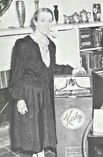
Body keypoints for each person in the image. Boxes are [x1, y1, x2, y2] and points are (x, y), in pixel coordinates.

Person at [8, 8, 84, 157]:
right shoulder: (22, 44)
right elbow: (16, 73)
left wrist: (72, 69)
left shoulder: (51, 45)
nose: (47, 24)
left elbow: (51, 68)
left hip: (44, 93)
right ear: (35, 22)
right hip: (29, 94)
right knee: (33, 133)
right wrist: (19, 98)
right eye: (42, 20)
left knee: (42, 132)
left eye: (50, 21)